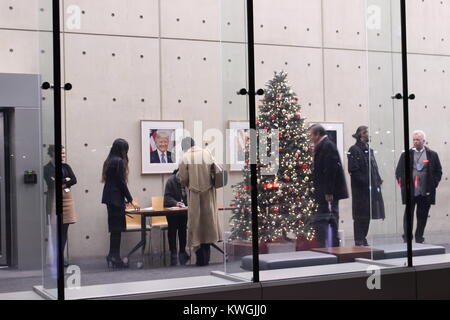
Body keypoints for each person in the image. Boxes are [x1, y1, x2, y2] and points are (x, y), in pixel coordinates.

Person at [179, 137, 223, 266]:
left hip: (194, 195)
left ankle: (200, 258)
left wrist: (190, 185)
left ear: (184, 147)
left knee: (196, 225)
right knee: (208, 225)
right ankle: (207, 256)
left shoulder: (185, 157)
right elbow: (217, 170)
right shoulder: (207, 153)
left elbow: (183, 178)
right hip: (209, 194)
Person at [395, 130, 442, 243]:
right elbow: (399, 172)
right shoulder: (406, 154)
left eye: (418, 140)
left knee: (422, 215)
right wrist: (403, 186)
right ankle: (407, 237)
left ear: (424, 141)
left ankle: (419, 237)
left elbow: (438, 171)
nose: (415, 142)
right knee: (408, 215)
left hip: (425, 191)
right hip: (411, 191)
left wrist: (433, 183)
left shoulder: (432, 154)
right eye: (414, 140)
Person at [308, 124, 349, 248]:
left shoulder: (327, 146)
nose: (309, 138)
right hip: (324, 191)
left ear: (317, 134)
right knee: (326, 218)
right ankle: (326, 245)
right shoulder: (323, 145)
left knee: (329, 218)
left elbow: (330, 170)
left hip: (328, 193)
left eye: (311, 135)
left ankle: (330, 246)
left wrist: (329, 192)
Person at [101, 138, 140, 268]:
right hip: (115, 198)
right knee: (117, 229)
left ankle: (113, 256)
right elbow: (121, 183)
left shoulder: (109, 160)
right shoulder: (119, 162)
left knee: (114, 230)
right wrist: (131, 199)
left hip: (110, 197)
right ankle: (114, 257)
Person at [347, 126, 385, 246]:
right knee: (360, 216)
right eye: (367, 132)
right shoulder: (354, 149)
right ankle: (359, 240)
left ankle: (363, 238)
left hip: (371, 189)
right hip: (360, 190)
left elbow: (374, 168)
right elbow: (353, 170)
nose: (369, 135)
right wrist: (365, 182)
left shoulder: (370, 150)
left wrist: (378, 181)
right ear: (361, 134)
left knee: (368, 215)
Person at [43, 145, 78, 267]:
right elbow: (52, 183)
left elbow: (74, 180)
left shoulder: (66, 166)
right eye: (61, 153)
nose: (63, 155)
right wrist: (65, 180)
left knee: (64, 231)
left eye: (64, 153)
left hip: (67, 200)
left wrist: (62, 180)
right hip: (53, 199)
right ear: (53, 153)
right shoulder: (47, 168)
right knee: (54, 230)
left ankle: (60, 257)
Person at [164, 169, 190, 266]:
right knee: (172, 231)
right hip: (172, 213)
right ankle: (173, 252)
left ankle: (182, 251)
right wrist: (176, 203)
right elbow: (167, 197)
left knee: (183, 231)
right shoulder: (170, 181)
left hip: (183, 211)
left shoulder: (186, 181)